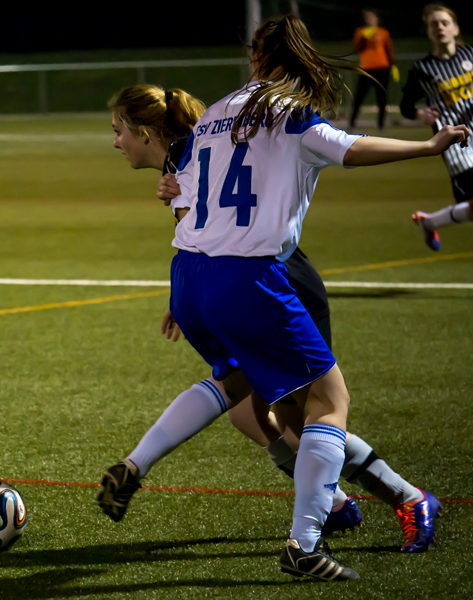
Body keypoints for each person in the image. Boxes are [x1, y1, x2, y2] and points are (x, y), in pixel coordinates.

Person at [102, 15, 467, 581]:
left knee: (273, 407)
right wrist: (428, 147)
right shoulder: (286, 112)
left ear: (256, 59)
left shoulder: (219, 112)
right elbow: (350, 147)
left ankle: (376, 502)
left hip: (210, 275)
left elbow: (193, 198)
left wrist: (173, 203)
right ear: (300, 58)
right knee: (305, 407)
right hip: (253, 275)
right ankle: (341, 517)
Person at [401, 4, 473, 250]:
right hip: (457, 146)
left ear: (455, 28)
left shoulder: (471, 56)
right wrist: (419, 113)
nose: (439, 27)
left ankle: (429, 222)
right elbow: (405, 106)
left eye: (444, 23)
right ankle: (430, 222)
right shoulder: (423, 70)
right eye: (434, 24)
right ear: (429, 33)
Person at [349, 9, 396, 130]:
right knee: (358, 97)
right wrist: (364, 38)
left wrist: (393, 65)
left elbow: (388, 49)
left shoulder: (383, 32)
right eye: (367, 17)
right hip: (366, 69)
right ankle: (352, 122)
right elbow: (357, 48)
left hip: (382, 68)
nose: (369, 19)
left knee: (382, 97)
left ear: (376, 18)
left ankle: (381, 124)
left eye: (372, 17)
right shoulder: (360, 32)